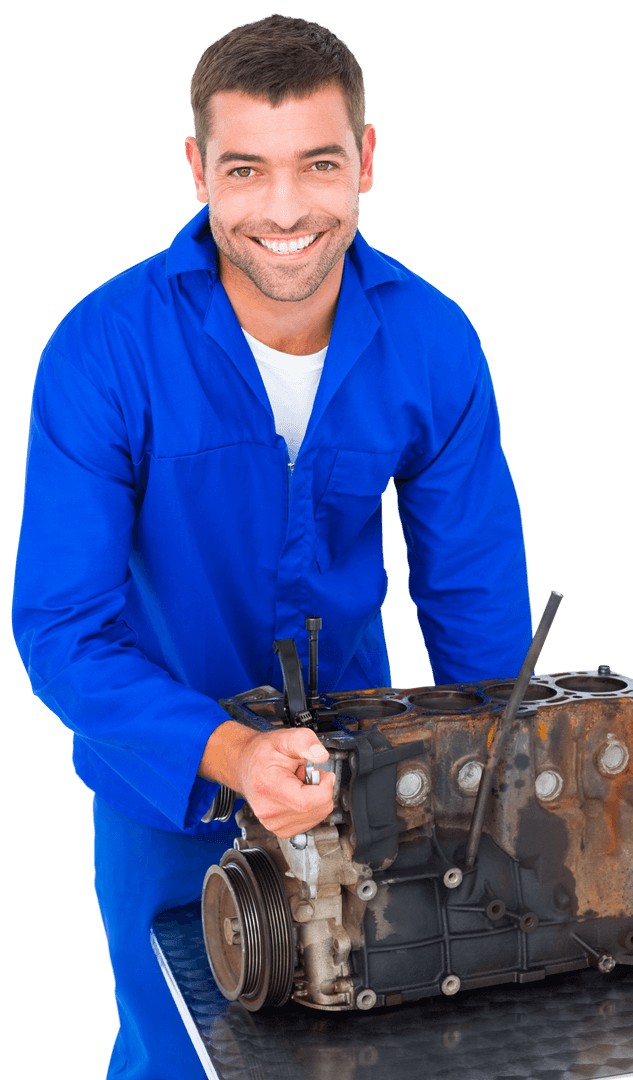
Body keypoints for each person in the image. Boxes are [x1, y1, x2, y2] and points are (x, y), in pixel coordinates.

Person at [12, 13, 532, 1079]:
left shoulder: (433, 341)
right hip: (166, 788)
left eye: (319, 164)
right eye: (247, 169)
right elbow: (63, 630)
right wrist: (232, 754)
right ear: (199, 170)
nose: (286, 210)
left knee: (379, 1056)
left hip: (369, 783)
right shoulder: (102, 349)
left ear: (366, 161)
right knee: (178, 1060)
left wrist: (493, 793)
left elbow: (473, 601)